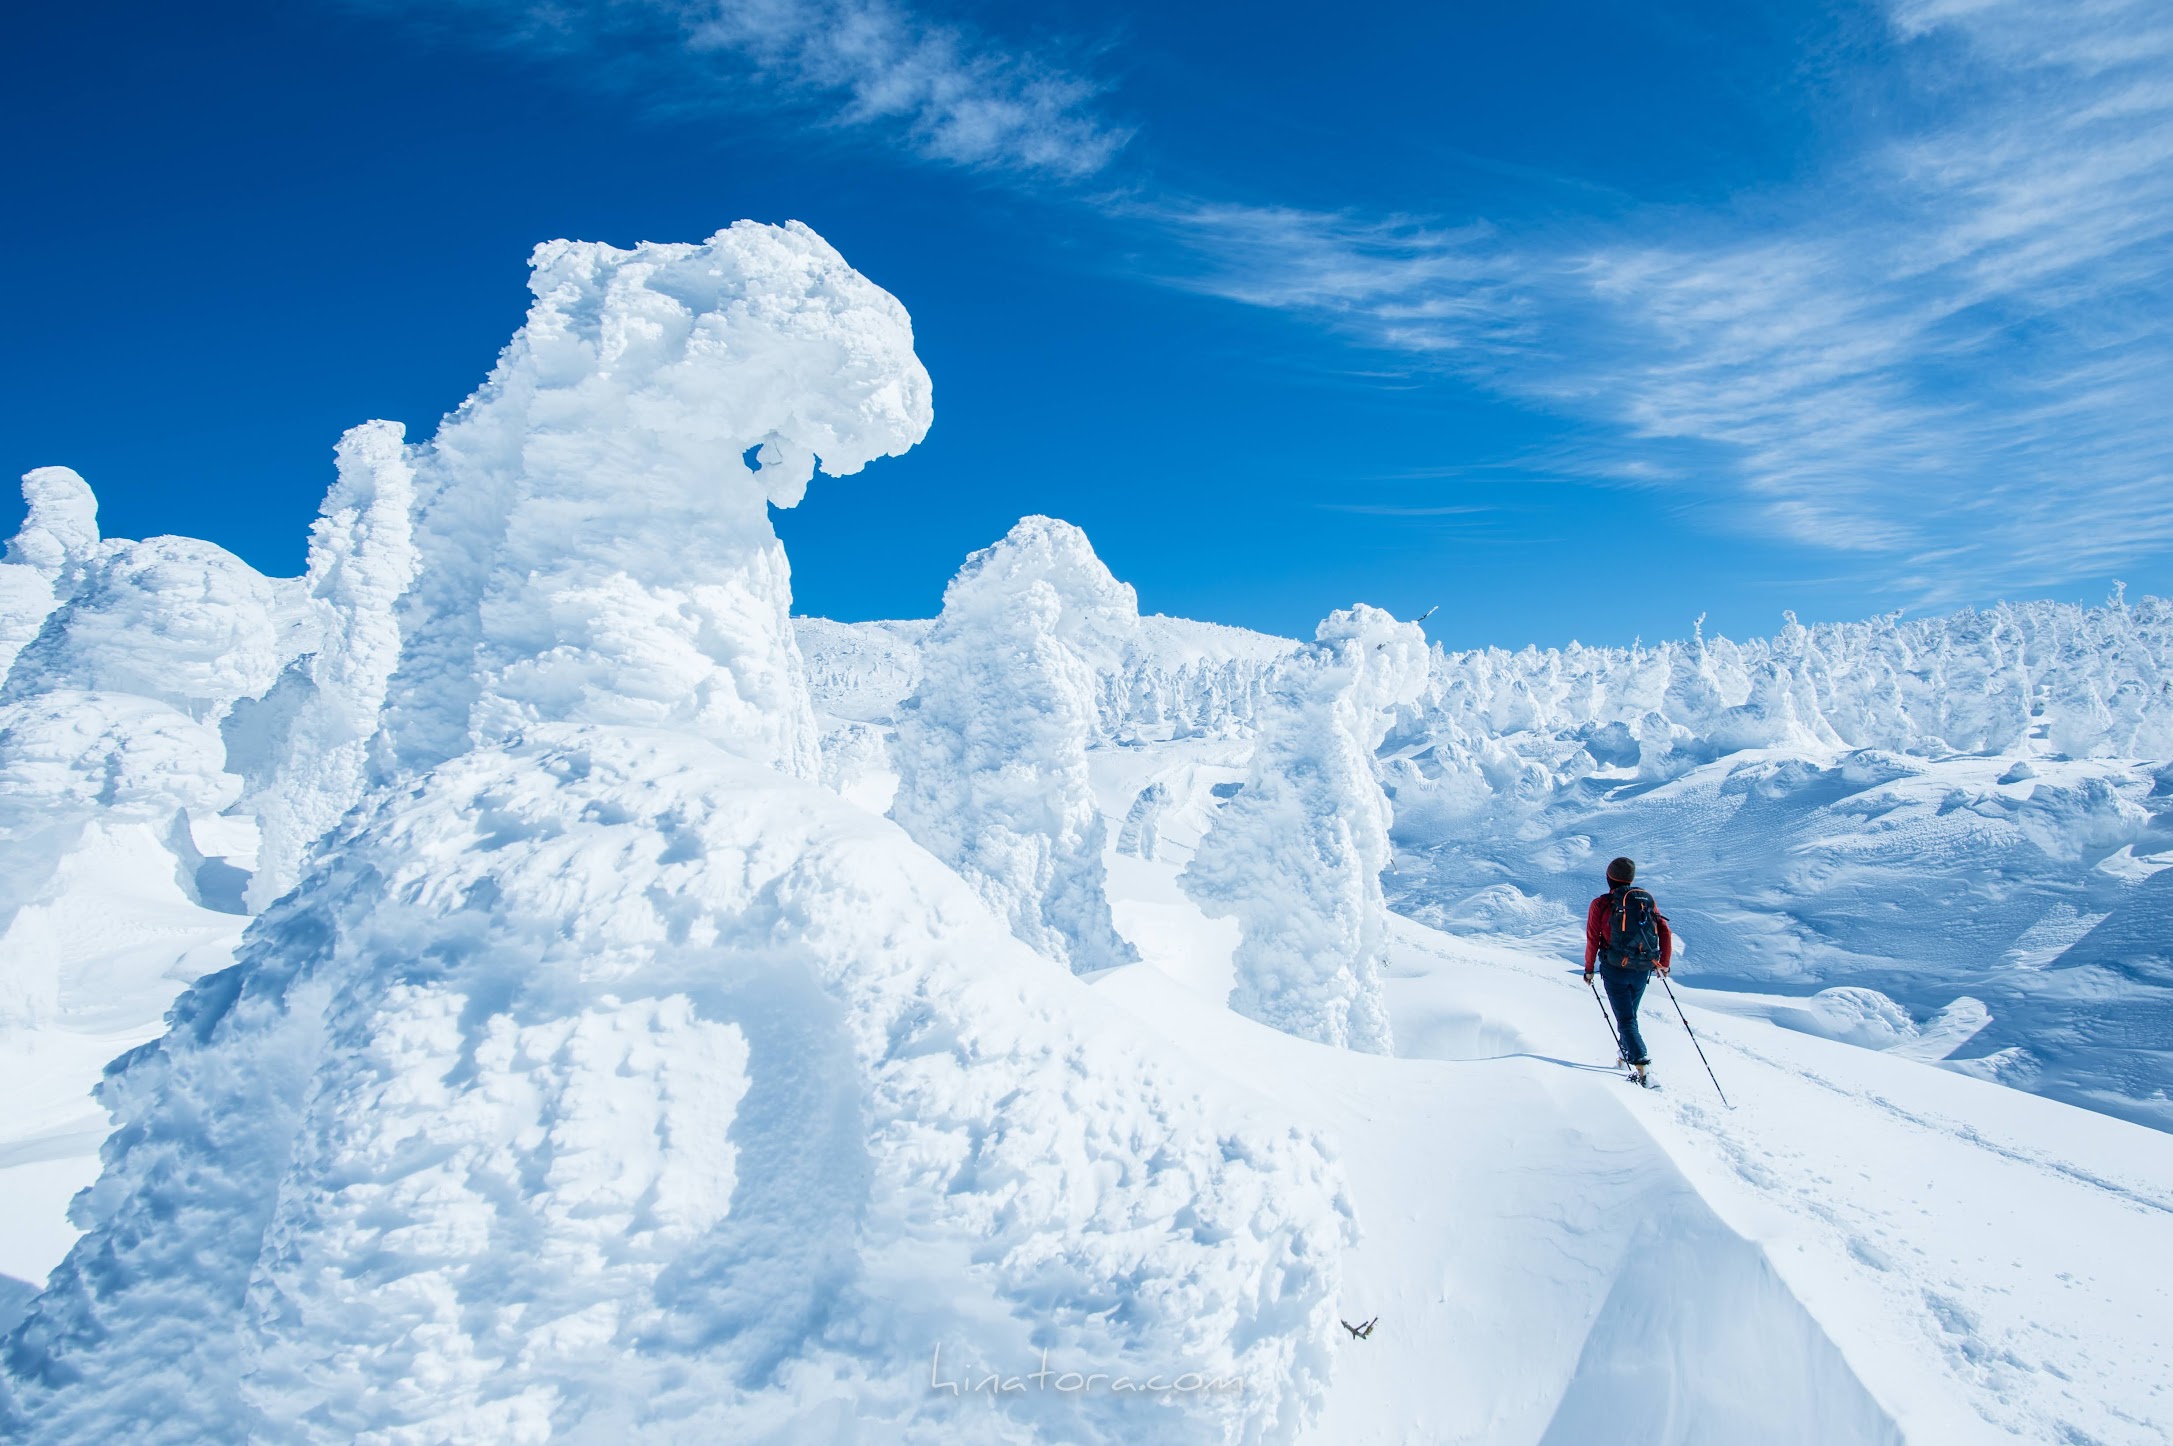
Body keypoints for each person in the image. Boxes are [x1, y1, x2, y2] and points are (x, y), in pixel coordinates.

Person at [1584, 856, 1673, 1084]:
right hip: (1642, 969)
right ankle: (1624, 1054)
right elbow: (1665, 931)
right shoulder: (1644, 901)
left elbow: (1593, 939)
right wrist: (1664, 962)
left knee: (1625, 1019)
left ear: (1609, 878)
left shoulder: (1601, 904)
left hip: (1615, 969)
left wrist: (1589, 969)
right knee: (1629, 1017)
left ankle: (1642, 1065)